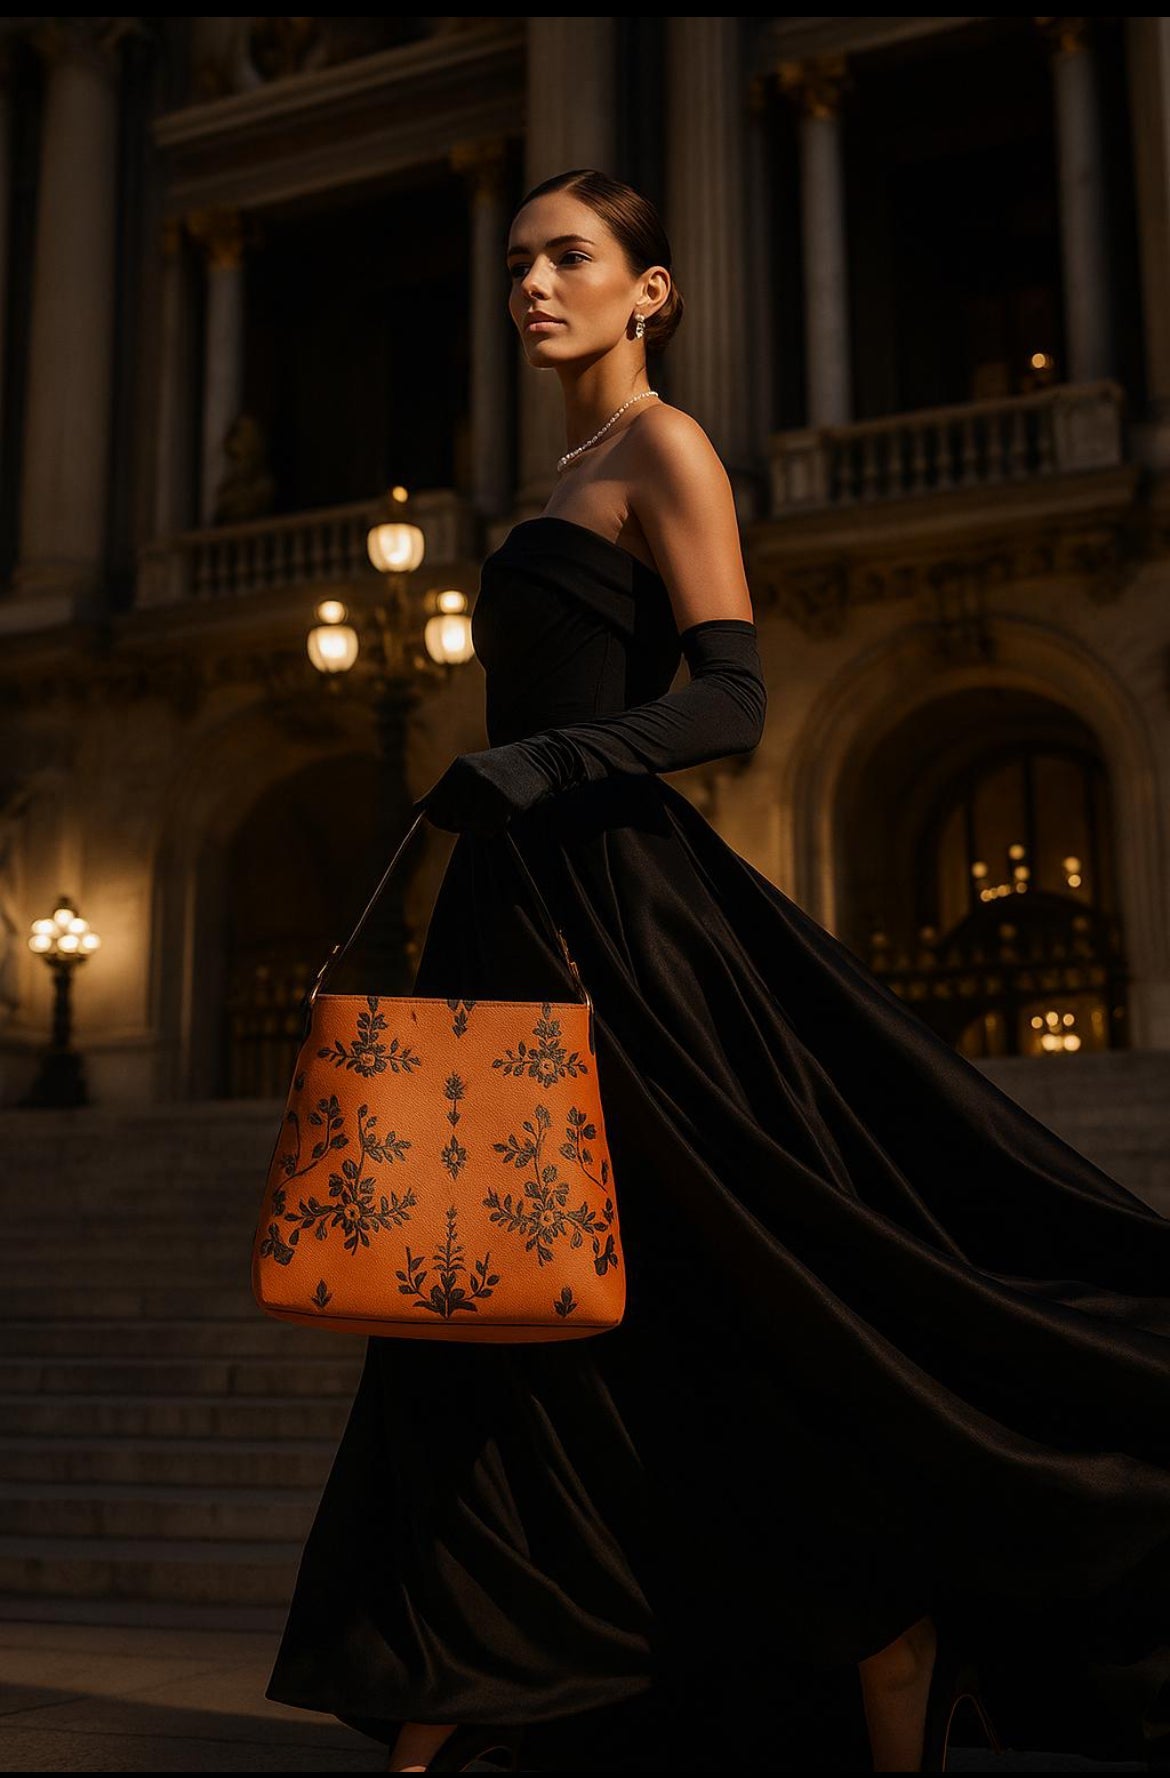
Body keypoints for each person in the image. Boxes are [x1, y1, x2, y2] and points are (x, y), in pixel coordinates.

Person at [264, 169, 1170, 1774]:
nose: (533, 284)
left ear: (650, 290)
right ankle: (466, 1690)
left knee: (697, 1305)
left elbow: (731, 695)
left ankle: (879, 1638)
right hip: (509, 911)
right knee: (483, 1305)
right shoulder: (562, 470)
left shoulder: (664, 444)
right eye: (518, 262)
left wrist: (543, 764)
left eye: (569, 257)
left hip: (611, 919)